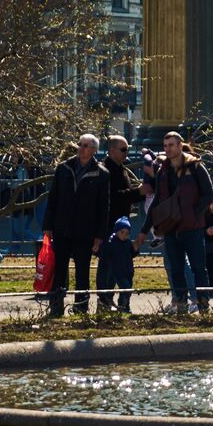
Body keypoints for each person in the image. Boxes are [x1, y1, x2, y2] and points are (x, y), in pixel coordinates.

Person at [42, 134, 111, 317]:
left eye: (86, 145)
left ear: (94, 150)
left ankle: (81, 309)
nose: (81, 148)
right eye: (79, 144)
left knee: (82, 272)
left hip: (85, 231)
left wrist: (99, 236)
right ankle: (56, 308)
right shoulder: (63, 168)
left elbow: (104, 208)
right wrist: (48, 226)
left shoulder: (101, 174)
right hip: (62, 229)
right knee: (59, 271)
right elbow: (53, 198)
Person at [149, 131, 213, 313]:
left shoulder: (195, 167)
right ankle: (182, 305)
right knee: (176, 269)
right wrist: (151, 223)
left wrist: (194, 214)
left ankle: (203, 305)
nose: (167, 149)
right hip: (171, 228)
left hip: (193, 229)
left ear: (180, 145)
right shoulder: (163, 170)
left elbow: (208, 194)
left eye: (171, 145)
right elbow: (158, 199)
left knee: (198, 269)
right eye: (165, 146)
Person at [96, 217, 141, 312]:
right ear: (116, 231)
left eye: (127, 233)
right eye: (122, 232)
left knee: (128, 289)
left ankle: (125, 305)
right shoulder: (111, 242)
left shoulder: (128, 243)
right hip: (117, 271)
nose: (124, 235)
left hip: (128, 270)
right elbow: (104, 253)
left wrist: (136, 249)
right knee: (125, 289)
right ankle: (121, 305)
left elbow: (132, 253)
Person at [103, 135, 145, 228]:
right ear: (112, 151)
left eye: (127, 149)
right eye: (123, 149)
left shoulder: (120, 168)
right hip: (110, 223)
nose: (126, 152)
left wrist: (142, 193)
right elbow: (114, 197)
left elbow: (126, 194)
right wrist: (139, 192)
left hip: (120, 222)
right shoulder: (105, 171)